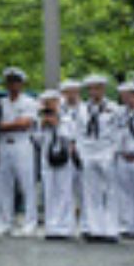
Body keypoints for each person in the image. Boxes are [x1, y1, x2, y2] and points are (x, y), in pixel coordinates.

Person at [0, 68, 40, 237]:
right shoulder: (1, 102)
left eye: (16, 81)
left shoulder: (30, 102)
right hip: (3, 145)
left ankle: (30, 221)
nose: (12, 85)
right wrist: (9, 125)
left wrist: (2, 126)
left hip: (22, 144)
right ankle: (6, 220)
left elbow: (24, 124)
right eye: (10, 82)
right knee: (4, 184)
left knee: (26, 184)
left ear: (22, 84)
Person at [73, 75, 121, 243]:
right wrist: (81, 152)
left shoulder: (114, 108)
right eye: (92, 88)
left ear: (104, 89)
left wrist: (113, 151)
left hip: (106, 151)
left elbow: (118, 132)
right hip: (88, 151)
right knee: (90, 191)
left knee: (110, 191)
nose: (95, 92)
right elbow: (78, 132)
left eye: (98, 88)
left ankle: (111, 229)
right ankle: (94, 228)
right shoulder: (82, 109)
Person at [37, 89, 78, 240]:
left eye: (52, 102)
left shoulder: (67, 118)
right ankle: (51, 226)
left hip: (64, 159)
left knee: (64, 191)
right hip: (47, 159)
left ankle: (65, 227)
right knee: (50, 192)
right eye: (46, 102)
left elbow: (72, 136)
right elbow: (35, 140)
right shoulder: (40, 119)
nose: (49, 105)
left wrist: (57, 125)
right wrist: (43, 126)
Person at [114, 81, 134, 237]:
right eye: (123, 96)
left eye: (128, 95)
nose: (126, 99)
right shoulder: (119, 113)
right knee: (124, 192)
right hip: (122, 155)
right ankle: (127, 225)